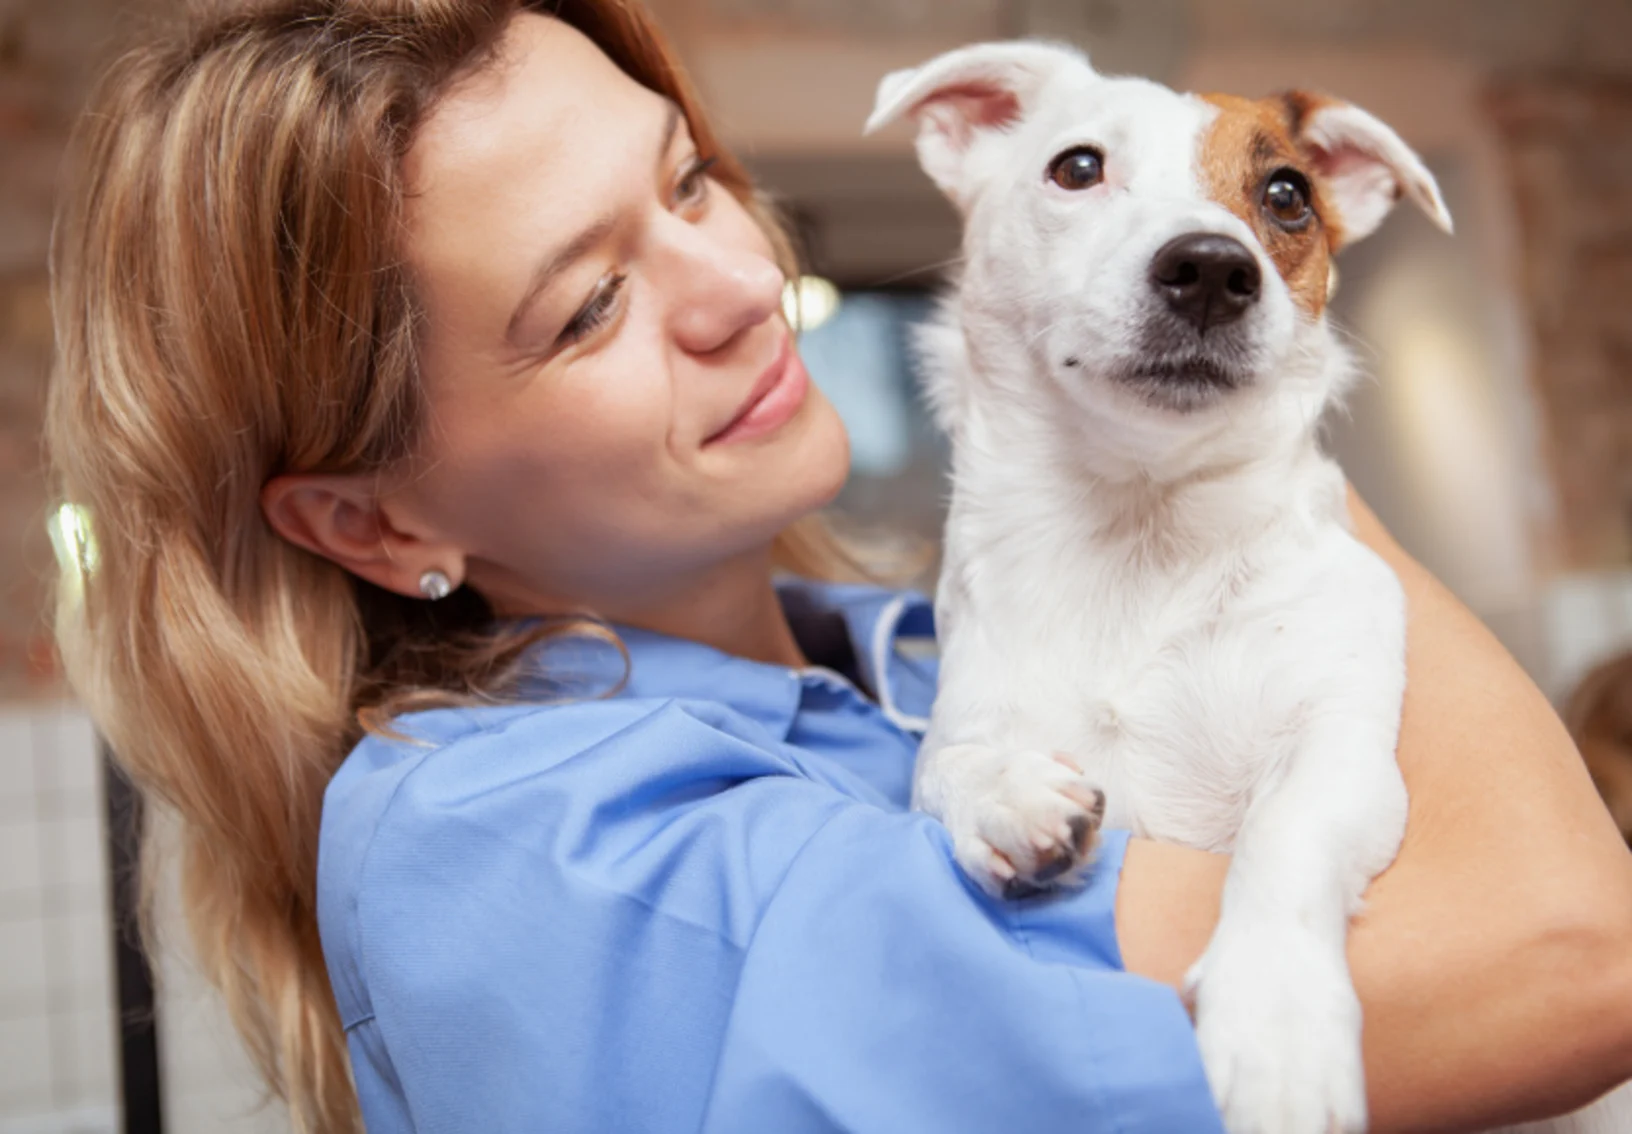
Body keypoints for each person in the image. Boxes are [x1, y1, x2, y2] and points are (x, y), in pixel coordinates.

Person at [44, 1, 1632, 1131]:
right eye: (588, 306)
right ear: (379, 523)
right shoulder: (547, 846)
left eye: (686, 180)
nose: (741, 278)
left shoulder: (900, 655)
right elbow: (1570, 954)